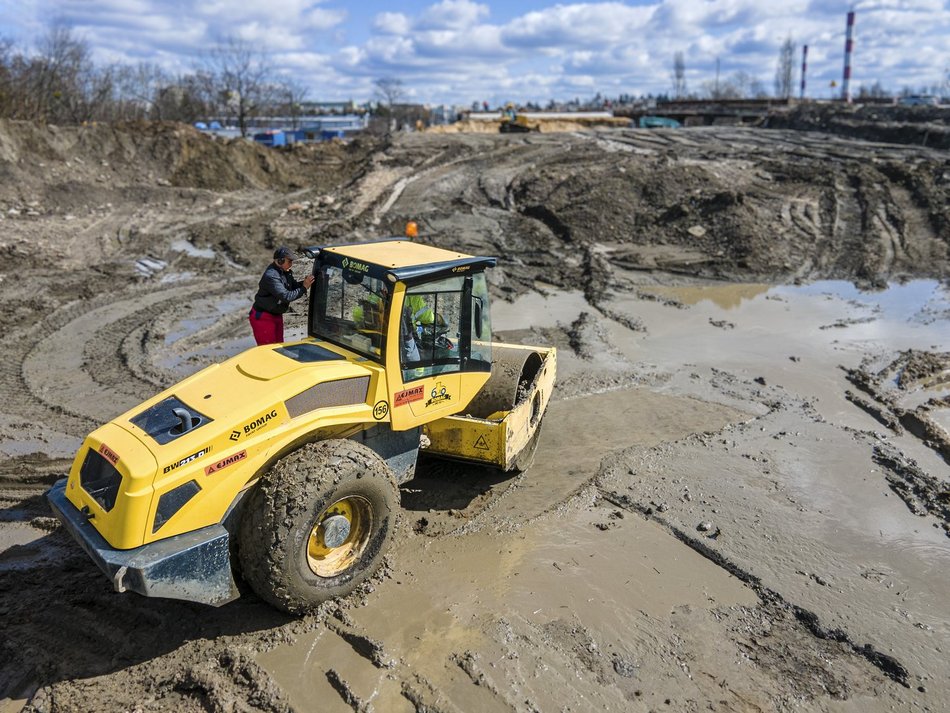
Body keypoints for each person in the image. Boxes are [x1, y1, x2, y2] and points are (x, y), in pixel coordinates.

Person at [249, 246, 314, 345]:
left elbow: (293, 286)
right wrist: (304, 288)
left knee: (279, 347)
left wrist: (305, 283)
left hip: (276, 314)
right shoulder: (271, 276)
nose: (291, 264)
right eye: (289, 261)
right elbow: (286, 296)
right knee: (268, 350)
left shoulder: (285, 272)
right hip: (263, 317)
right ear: (280, 261)